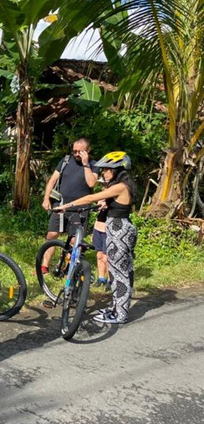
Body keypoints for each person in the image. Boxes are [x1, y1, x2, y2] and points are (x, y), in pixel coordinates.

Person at [54, 152, 136, 324]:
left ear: (116, 170)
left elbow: (92, 197)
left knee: (118, 273)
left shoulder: (120, 186)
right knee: (119, 271)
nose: (104, 173)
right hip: (120, 227)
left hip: (118, 229)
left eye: (106, 169)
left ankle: (120, 314)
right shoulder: (122, 186)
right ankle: (116, 308)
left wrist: (67, 206)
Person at [40, 138, 99, 273]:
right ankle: (44, 265)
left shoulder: (93, 164)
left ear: (88, 151)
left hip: (80, 209)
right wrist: (46, 199)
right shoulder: (66, 161)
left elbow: (91, 183)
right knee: (52, 234)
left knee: (74, 240)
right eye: (74, 151)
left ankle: (68, 268)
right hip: (61, 205)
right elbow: (52, 180)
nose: (76, 154)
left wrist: (85, 164)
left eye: (80, 152)